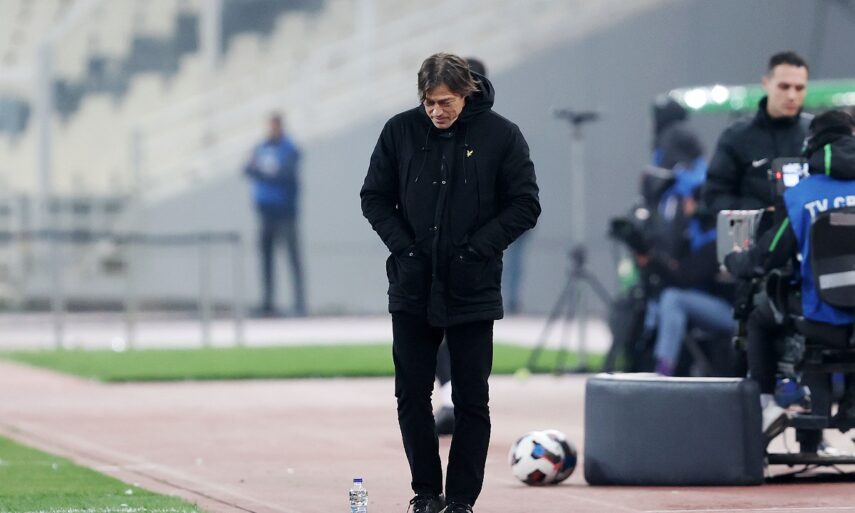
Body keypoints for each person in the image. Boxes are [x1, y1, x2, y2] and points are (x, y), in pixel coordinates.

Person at [360, 53, 540, 513]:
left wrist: (477, 249)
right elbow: (374, 197)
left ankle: (461, 500)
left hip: (472, 286)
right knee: (411, 395)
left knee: (472, 400)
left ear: (466, 93)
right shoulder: (400, 131)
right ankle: (426, 493)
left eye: (445, 102)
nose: (436, 111)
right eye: (429, 102)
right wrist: (405, 249)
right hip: (412, 284)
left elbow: (525, 205)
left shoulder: (502, 135)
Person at [725, 110, 855, 437]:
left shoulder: (799, 196)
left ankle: (766, 406)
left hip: (821, 320)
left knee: (759, 317)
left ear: (812, 145)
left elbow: (766, 258)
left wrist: (734, 261)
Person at [704, 51, 811, 213]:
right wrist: (760, 213)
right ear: (766, 84)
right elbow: (714, 196)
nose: (792, 95)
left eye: (799, 88)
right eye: (784, 86)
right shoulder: (737, 136)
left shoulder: (817, 134)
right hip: (753, 228)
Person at [244, 113, 306, 317]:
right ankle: (267, 302)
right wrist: (264, 170)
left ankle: (299, 303)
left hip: (285, 211)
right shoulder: (261, 147)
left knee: (292, 257)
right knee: (266, 258)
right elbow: (247, 168)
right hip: (266, 212)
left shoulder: (289, 148)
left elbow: (284, 173)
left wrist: (263, 170)